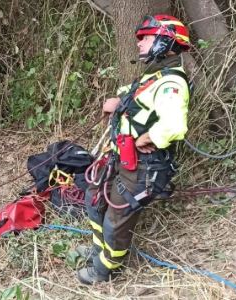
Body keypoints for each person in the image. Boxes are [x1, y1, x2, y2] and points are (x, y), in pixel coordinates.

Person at [77, 14, 191, 284]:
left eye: (146, 38)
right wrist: (118, 101)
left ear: (165, 42)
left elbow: (174, 126)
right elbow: (136, 99)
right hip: (121, 157)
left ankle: (105, 270)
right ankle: (97, 251)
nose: (140, 44)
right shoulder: (153, 77)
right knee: (94, 201)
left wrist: (145, 138)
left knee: (115, 220)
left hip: (143, 166)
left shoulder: (171, 83)